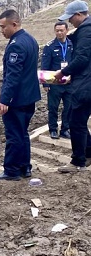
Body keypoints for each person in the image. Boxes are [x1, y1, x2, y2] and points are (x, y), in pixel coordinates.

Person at [0, 10, 41, 181]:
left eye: (3, 27)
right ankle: (25, 167)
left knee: (14, 134)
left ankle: (12, 170)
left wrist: (4, 99)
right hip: (29, 96)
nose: (1, 31)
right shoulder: (31, 40)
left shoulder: (16, 45)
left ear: (14, 24)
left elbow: (13, 76)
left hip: (17, 99)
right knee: (23, 133)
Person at [54, 0, 91, 172]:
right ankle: (88, 154)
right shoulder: (86, 30)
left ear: (79, 15)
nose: (70, 22)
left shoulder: (86, 30)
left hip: (85, 85)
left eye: (71, 18)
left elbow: (82, 58)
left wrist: (64, 72)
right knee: (80, 121)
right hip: (85, 81)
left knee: (76, 122)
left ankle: (78, 162)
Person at [41, 21, 73, 140]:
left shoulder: (71, 44)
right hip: (54, 83)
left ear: (66, 30)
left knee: (68, 107)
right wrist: (45, 83)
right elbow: (45, 65)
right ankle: (53, 129)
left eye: (61, 30)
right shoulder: (50, 47)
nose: (59, 33)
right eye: (57, 30)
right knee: (53, 107)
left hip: (69, 82)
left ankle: (65, 129)